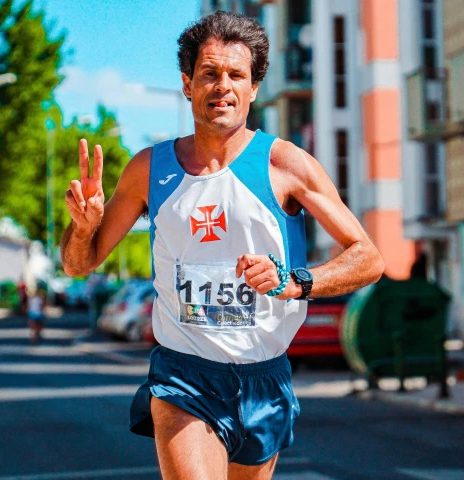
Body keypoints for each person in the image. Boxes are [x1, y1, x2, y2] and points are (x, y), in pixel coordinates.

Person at [60, 11, 384, 479]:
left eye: (237, 75)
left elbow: (368, 257)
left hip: (264, 375)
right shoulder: (148, 169)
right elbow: (78, 264)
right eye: (209, 74)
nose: (223, 86)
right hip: (183, 374)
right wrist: (85, 227)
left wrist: (295, 282)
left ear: (254, 89)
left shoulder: (286, 165)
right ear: (187, 83)